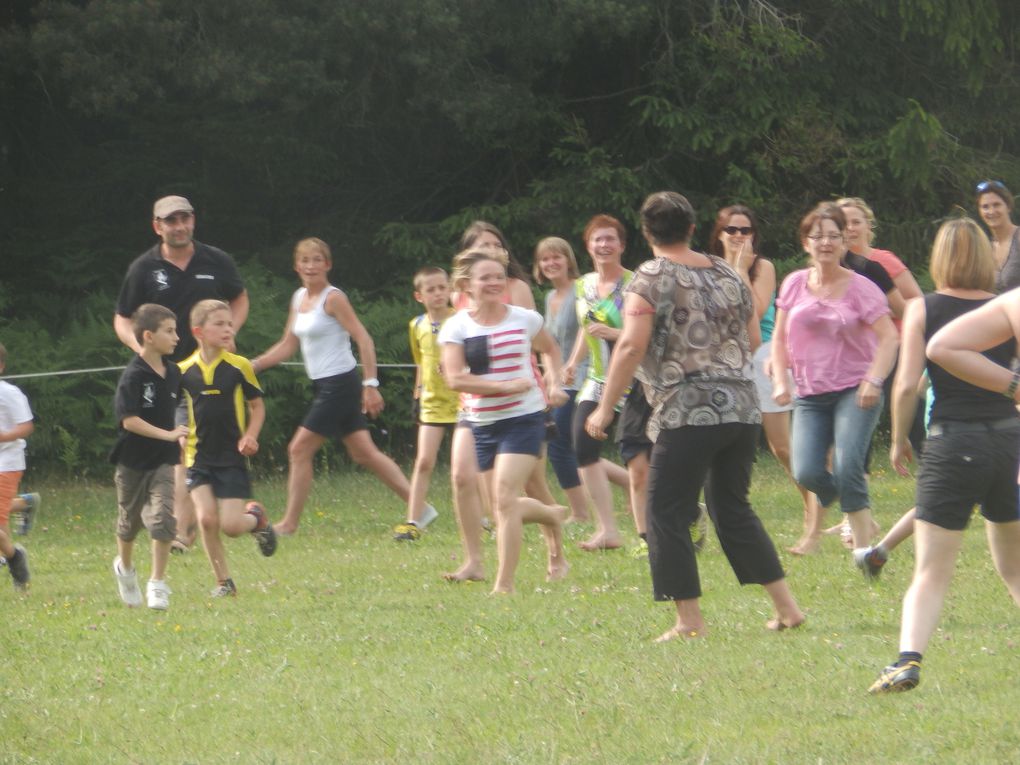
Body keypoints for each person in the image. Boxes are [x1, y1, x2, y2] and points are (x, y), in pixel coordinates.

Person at [587, 191, 804, 640]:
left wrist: (606, 407)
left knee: (665, 509)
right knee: (733, 508)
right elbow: (750, 337)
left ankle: (689, 622)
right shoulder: (727, 272)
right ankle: (787, 609)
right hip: (741, 406)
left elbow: (630, 345)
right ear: (691, 227)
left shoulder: (649, 276)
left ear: (646, 233)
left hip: (687, 410)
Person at [868, 218, 1020, 693]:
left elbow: (909, 382)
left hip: (955, 442)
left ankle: (906, 661)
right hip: (1008, 441)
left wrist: (898, 438)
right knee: (1014, 568)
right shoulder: (1006, 306)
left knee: (931, 570)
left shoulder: (921, 308)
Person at [252, 238, 426, 536]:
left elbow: (364, 338)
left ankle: (289, 525)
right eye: (305, 260)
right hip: (323, 384)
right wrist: (251, 365)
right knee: (364, 453)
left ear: (328, 264)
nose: (311, 266)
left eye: (317, 259)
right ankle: (420, 509)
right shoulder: (298, 298)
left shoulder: (333, 299)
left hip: (341, 384)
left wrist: (370, 385)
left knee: (298, 449)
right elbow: (287, 344)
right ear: (296, 266)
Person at [114, 195, 250, 552]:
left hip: (213, 372)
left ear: (193, 220)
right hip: (169, 376)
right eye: (170, 220)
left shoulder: (216, 260)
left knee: (192, 447)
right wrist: (142, 351)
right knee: (182, 444)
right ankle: (182, 532)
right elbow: (123, 317)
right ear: (157, 226)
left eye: (184, 218)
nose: (179, 226)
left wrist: (228, 331)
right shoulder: (144, 268)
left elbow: (239, 298)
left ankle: (186, 530)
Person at [439, 249, 570, 594]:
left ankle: (504, 584)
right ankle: (550, 513)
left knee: (505, 496)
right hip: (482, 423)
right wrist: (503, 385)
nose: (495, 283)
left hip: (524, 418)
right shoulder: (457, 326)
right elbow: (454, 379)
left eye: (500, 276)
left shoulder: (524, 319)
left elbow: (551, 350)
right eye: (486, 278)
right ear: (468, 285)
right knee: (499, 508)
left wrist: (554, 382)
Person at [771, 203, 899, 553]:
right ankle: (859, 510)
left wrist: (874, 380)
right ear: (805, 243)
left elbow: (889, 337)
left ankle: (863, 549)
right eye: (818, 236)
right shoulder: (794, 283)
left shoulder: (862, 287)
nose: (825, 242)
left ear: (844, 243)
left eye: (833, 236)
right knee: (806, 471)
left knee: (846, 466)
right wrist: (781, 381)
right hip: (811, 393)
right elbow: (779, 339)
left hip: (855, 391)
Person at [708, 205, 820, 555]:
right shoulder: (707, 267)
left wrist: (741, 269)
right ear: (720, 233)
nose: (739, 236)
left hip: (765, 358)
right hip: (724, 362)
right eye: (732, 230)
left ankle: (813, 515)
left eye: (746, 230)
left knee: (782, 447)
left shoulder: (763, 267)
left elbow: (753, 312)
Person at [180, 300, 277, 597]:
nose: (227, 329)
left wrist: (250, 435)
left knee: (232, 526)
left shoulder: (239, 366)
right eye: (219, 324)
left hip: (231, 458)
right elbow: (178, 407)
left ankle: (257, 520)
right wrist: (179, 432)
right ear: (198, 331)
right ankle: (224, 583)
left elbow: (257, 407)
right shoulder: (183, 371)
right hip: (197, 458)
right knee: (207, 519)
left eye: (229, 324)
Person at [109, 304, 189, 610]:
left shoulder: (174, 373)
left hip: (163, 461)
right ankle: (125, 570)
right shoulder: (133, 376)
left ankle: (157, 582)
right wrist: (168, 433)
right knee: (129, 524)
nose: (176, 337)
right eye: (169, 331)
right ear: (148, 336)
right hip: (132, 461)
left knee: (163, 519)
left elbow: (186, 398)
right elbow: (129, 421)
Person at [564, 214, 636, 551]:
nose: (604, 245)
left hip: (636, 379)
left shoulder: (636, 284)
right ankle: (607, 530)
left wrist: (615, 333)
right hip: (596, 378)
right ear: (588, 246)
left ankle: (667, 520)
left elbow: (647, 336)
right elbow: (586, 327)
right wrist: (572, 362)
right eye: (597, 239)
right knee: (583, 447)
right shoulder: (583, 285)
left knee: (639, 455)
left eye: (610, 239)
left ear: (622, 245)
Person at [392, 266, 458, 541]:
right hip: (432, 403)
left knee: (465, 466)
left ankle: (483, 517)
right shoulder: (416, 325)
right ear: (419, 296)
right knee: (423, 461)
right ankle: (414, 520)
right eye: (431, 290)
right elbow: (420, 362)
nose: (438, 293)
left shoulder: (461, 319)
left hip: (463, 400)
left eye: (442, 287)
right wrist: (416, 396)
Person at [532, 237, 592, 523]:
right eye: (545, 259)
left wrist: (571, 366)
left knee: (559, 445)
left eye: (557, 257)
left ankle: (580, 513)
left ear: (569, 260)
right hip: (560, 381)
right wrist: (550, 377)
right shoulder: (548, 298)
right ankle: (631, 481)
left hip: (585, 376)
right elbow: (548, 345)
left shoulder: (581, 290)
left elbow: (588, 329)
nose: (551, 263)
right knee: (571, 446)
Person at [0, 342, 33, 591]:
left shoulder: (9, 393)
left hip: (7, 463)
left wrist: (3, 436)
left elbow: (25, 426)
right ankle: (13, 555)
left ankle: (13, 557)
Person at [974, 180, 1020, 292]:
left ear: (1008, 207)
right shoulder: (985, 249)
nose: (991, 211)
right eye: (985, 207)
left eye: (996, 205)